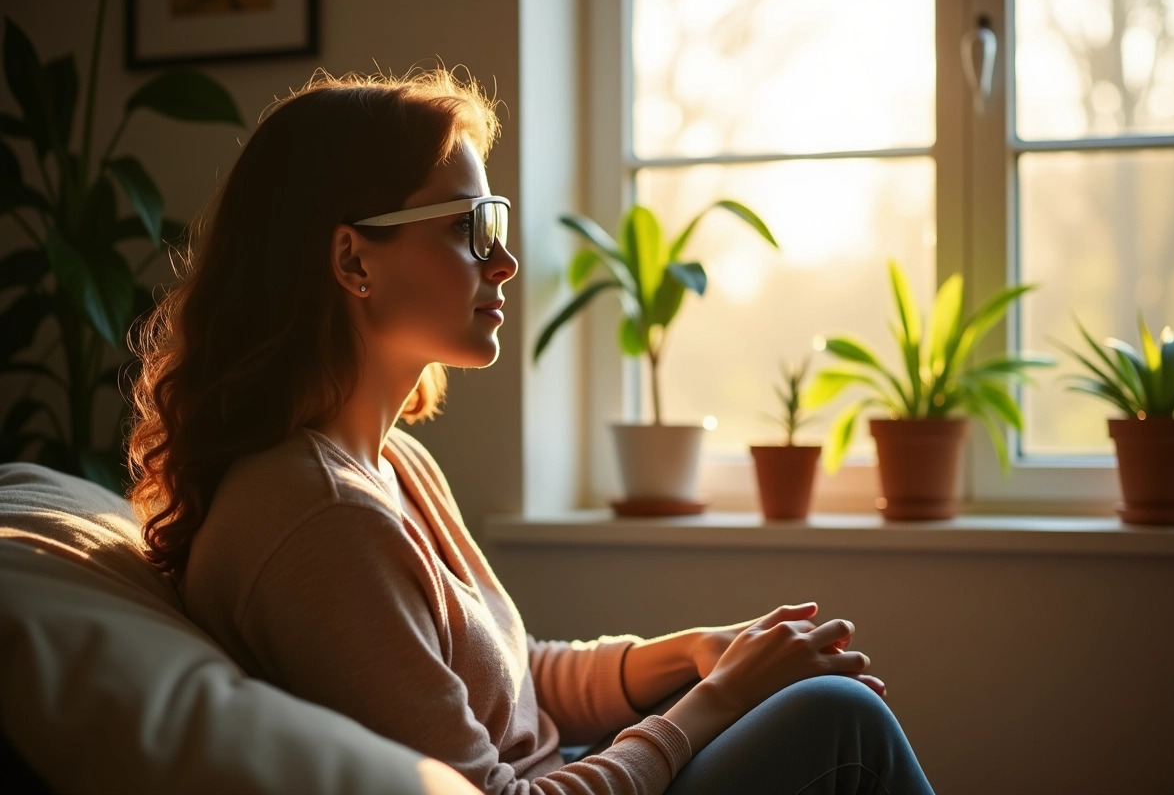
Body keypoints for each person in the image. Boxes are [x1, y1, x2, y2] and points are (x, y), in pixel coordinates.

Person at [127, 68, 935, 795]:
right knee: (837, 718)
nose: (505, 260)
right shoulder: (317, 519)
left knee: (816, 700)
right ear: (353, 261)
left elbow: (506, 683)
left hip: (571, 770)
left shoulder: (391, 464)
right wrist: (717, 702)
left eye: (497, 222)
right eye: (470, 226)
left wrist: (689, 653)